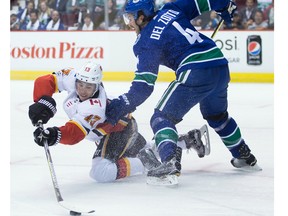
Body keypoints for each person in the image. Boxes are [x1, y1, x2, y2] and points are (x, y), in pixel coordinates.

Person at [105, 0, 261, 184]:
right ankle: (243, 154)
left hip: (194, 72)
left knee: (161, 118)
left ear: (141, 16)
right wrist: (224, 5)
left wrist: (121, 104)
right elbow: (203, 2)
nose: (128, 23)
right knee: (217, 116)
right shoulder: (171, 9)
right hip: (219, 65)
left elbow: (143, 86)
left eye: (130, 18)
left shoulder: (146, 42)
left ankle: (169, 162)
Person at [28, 61, 208, 183]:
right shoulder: (74, 77)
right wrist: (42, 102)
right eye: (80, 84)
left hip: (118, 132)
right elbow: (45, 80)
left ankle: (145, 161)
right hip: (124, 124)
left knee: (101, 172)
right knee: (147, 147)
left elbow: (75, 133)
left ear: (97, 86)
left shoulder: (95, 107)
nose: (82, 90)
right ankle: (187, 141)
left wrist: (54, 135)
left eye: (89, 86)